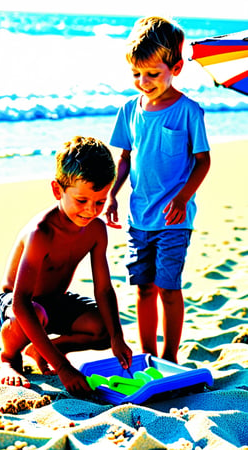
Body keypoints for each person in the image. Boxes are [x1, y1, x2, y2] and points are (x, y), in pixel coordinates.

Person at [0, 136, 132, 396]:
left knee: (103, 329)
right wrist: (63, 367)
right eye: (81, 201)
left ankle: (40, 348)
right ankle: (9, 358)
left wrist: (117, 338)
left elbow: (104, 290)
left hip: (54, 302)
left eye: (99, 202)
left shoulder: (96, 230)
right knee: (35, 311)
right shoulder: (41, 232)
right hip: (14, 306)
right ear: (58, 191)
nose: (90, 211)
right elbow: (21, 302)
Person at [106, 17, 211, 363]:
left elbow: (202, 161)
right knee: (143, 288)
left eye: (152, 73)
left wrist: (183, 198)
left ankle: (170, 356)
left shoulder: (189, 111)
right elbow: (124, 158)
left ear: (176, 68)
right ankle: (148, 355)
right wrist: (112, 193)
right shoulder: (128, 110)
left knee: (168, 288)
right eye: (136, 74)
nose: (143, 82)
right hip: (140, 218)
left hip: (173, 219)